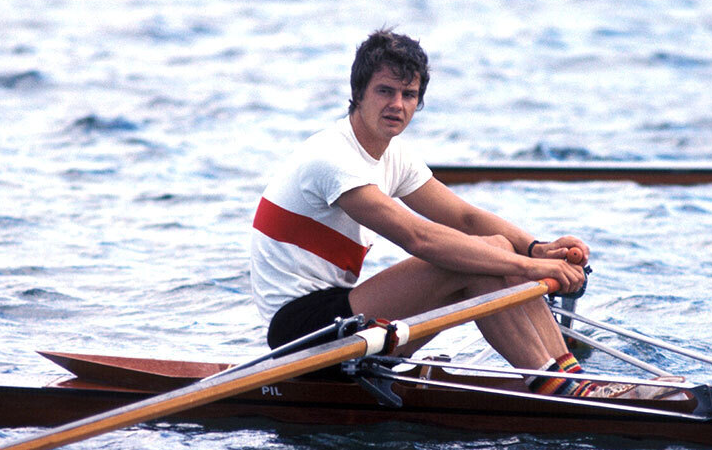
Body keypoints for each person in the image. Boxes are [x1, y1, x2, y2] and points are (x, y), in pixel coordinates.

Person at [248, 29, 599, 398]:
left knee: (494, 247)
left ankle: (569, 376)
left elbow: (464, 218)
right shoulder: (331, 157)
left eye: (409, 94)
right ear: (358, 93)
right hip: (300, 335)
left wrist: (535, 249)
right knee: (475, 260)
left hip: (344, 320)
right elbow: (419, 238)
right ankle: (554, 387)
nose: (397, 105)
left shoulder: (394, 154)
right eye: (385, 91)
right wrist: (529, 268)